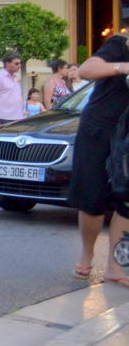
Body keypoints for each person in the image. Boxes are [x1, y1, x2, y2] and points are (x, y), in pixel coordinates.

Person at [69, 34, 129, 284]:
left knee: (126, 200)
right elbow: (86, 70)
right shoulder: (120, 44)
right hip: (98, 128)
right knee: (92, 197)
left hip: (126, 134)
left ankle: (115, 267)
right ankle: (87, 255)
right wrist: (123, 67)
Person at [0, 54, 25, 127]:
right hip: (4, 118)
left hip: (18, 117)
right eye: (16, 63)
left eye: (20, 63)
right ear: (7, 64)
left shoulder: (14, 78)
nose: (19, 66)